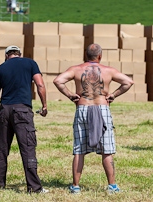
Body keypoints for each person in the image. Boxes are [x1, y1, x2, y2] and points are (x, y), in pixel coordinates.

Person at [53, 44, 134, 194]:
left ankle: (75, 187)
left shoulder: (76, 69)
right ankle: (112, 186)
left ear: (86, 55)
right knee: (107, 150)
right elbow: (128, 82)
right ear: (100, 56)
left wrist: (71, 95)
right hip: (102, 108)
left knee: (79, 149)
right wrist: (113, 95)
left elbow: (58, 81)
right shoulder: (109, 70)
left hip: (83, 107)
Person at [0, 45, 48, 193]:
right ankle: (34, 188)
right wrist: (44, 105)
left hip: (4, 110)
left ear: (6, 56)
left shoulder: (0, 68)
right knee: (28, 148)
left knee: (1, 149)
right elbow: (40, 84)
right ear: (19, 54)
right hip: (22, 110)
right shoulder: (30, 63)